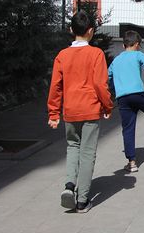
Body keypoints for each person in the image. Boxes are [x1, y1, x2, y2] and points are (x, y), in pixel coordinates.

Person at [47, 11, 113, 213]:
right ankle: (83, 200)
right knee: (87, 153)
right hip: (90, 110)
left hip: (70, 110)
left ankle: (69, 186)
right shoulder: (96, 54)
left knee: (72, 147)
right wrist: (107, 106)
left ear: (70, 30)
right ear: (91, 31)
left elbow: (55, 86)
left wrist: (53, 113)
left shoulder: (62, 55)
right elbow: (100, 84)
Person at [108, 31, 144, 173]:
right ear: (137, 44)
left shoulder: (116, 60)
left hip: (122, 98)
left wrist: (110, 92)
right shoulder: (138, 55)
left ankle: (132, 162)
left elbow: (108, 77)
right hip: (137, 94)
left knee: (128, 128)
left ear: (123, 45)